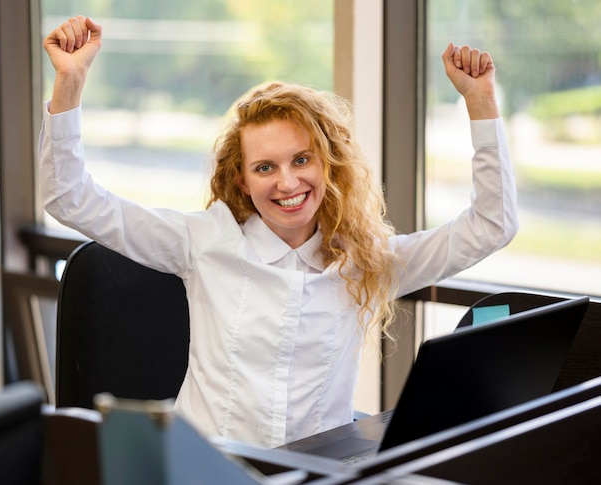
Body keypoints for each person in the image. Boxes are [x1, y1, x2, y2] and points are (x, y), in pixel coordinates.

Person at [40, 16, 518, 448]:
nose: (287, 182)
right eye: (265, 166)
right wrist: (70, 82)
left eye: (302, 160)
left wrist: (481, 103)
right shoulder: (203, 240)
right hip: (209, 468)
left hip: (314, 470)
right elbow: (70, 198)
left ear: (328, 164)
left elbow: (490, 226)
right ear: (242, 180)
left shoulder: (367, 261)